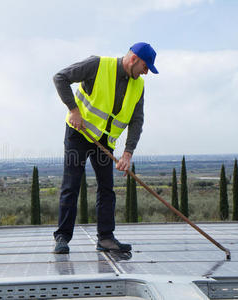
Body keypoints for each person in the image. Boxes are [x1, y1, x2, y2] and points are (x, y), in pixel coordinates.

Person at [52, 42, 158, 254]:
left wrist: (128, 153)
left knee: (107, 189)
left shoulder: (138, 86)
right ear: (134, 59)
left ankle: (106, 238)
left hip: (104, 142)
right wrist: (73, 110)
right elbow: (60, 78)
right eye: (146, 67)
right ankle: (62, 237)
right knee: (71, 185)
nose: (146, 72)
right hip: (79, 134)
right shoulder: (97, 65)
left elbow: (137, 120)